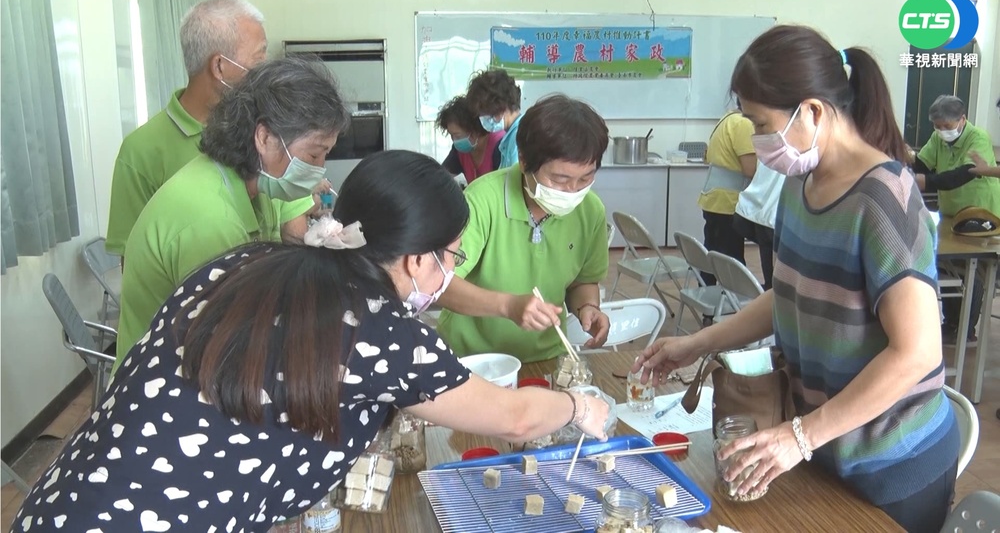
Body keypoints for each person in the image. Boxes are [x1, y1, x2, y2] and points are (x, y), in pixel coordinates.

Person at [11, 151, 612, 532]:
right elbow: (512, 417)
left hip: (66, 501)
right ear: (413, 255)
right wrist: (580, 405)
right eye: (450, 258)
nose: (449, 275)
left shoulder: (251, 263)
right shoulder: (381, 331)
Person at [634, 25, 958, 533]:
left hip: (891, 460)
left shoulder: (883, 197)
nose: (759, 139)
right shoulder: (799, 185)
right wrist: (697, 344)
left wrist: (801, 436)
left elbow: (917, 353)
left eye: (761, 123)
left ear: (811, 111)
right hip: (825, 448)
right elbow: (785, 293)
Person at [114, 56, 350, 370]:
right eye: (314, 154)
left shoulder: (255, 186)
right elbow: (231, 346)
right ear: (265, 138)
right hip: (162, 381)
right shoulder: (210, 218)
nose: (319, 169)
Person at [105, 0, 319, 259]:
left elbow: (293, 228)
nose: (266, 70)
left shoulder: (266, 134)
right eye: (259, 57)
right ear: (219, 66)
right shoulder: (141, 151)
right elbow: (136, 260)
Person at [436, 94, 612, 362]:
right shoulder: (481, 201)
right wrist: (508, 306)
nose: (573, 191)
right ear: (524, 160)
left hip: (546, 358)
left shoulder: (590, 210)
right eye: (560, 179)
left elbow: (583, 280)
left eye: (585, 178)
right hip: (473, 359)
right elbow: (438, 284)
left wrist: (587, 306)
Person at [914, 95, 1000, 343]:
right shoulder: (938, 138)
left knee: (971, 271)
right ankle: (950, 322)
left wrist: (926, 181)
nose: (942, 131)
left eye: (947, 126)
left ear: (962, 120)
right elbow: (923, 163)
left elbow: (962, 175)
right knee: (949, 268)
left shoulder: (978, 138)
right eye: (937, 126)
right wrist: (906, 160)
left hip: (980, 217)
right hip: (952, 216)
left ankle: (965, 330)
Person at [697, 111, 757, 284]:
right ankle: (733, 304)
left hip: (714, 199)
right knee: (732, 260)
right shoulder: (744, 124)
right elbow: (750, 169)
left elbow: (707, 157)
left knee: (713, 254)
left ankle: (709, 302)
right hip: (727, 203)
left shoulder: (727, 118)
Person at [732, 162, 783, 290]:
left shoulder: (768, 147)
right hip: (775, 217)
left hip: (761, 213)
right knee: (779, 284)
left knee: (770, 277)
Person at [436, 95, 503, 185]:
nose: (454, 140)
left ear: (475, 130)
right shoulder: (460, 150)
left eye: (457, 136)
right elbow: (441, 177)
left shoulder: (499, 146)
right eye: (451, 135)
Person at [465, 69, 522, 169]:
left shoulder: (519, 138)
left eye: (486, 113)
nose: (483, 118)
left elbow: (518, 182)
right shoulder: (511, 135)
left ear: (502, 106)